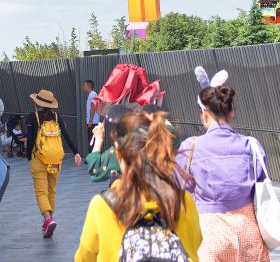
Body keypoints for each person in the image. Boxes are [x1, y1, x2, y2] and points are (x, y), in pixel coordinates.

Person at [75, 111, 203, 262]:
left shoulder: (102, 205)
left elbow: (84, 257)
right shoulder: (183, 201)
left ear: (119, 155)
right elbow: (195, 242)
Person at [175, 81, 271, 262]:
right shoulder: (251, 145)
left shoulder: (191, 146)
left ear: (204, 113)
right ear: (231, 112)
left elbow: (178, 189)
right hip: (247, 231)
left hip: (209, 232)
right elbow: (261, 186)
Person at [25, 89, 82, 238]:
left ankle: (48, 219)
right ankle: (49, 221)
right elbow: (66, 136)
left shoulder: (33, 117)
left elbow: (30, 139)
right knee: (52, 190)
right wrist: (76, 152)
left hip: (38, 158)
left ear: (38, 103)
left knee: (41, 191)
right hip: (56, 159)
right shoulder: (57, 117)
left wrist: (29, 157)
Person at [84, 79, 100, 155]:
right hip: (92, 122)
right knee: (92, 140)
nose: (83, 87)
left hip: (93, 122)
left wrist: (90, 120)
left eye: (84, 85)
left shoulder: (93, 94)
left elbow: (93, 107)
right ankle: (93, 157)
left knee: (92, 141)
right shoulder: (91, 94)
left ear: (88, 86)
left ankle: (93, 158)